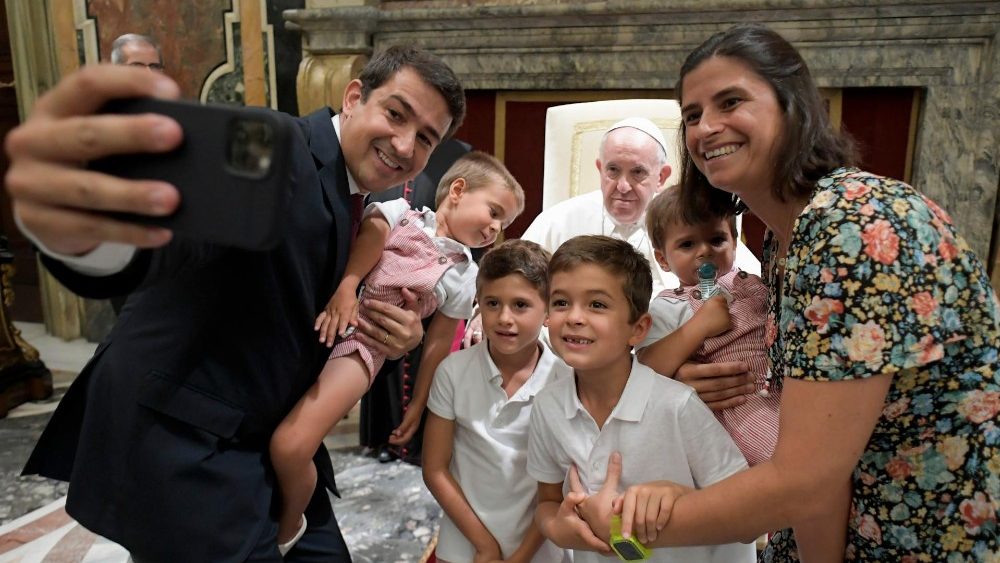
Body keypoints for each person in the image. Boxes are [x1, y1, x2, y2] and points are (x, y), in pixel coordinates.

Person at [8, 45, 464, 561]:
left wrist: (399, 340)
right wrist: (86, 235)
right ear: (354, 96)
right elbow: (175, 233)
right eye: (395, 113)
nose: (404, 144)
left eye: (426, 138)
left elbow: (323, 320)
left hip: (272, 438)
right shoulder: (271, 145)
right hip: (183, 436)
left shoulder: (378, 211)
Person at [569, 24, 1000, 562]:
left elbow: (806, 481)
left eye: (731, 101)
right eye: (693, 115)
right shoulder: (787, 238)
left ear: (792, 105)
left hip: (918, 533)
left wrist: (627, 525)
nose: (707, 128)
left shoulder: (853, 224)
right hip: (831, 530)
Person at [271, 151, 523, 551]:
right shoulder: (399, 211)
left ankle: (287, 530)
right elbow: (369, 240)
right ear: (458, 190)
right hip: (326, 316)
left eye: (503, 223)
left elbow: (440, 342)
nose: (495, 228)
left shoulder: (465, 273)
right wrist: (346, 289)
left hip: (365, 347)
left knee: (289, 445)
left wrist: (419, 404)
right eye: (493, 212)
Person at [526, 235, 755, 563]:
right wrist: (556, 528)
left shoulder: (677, 405)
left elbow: (748, 515)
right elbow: (547, 501)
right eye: (561, 302)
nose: (574, 317)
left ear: (638, 329)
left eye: (597, 304)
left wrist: (678, 497)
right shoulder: (548, 406)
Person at [423, 239, 570, 563]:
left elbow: (564, 482)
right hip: (465, 544)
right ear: (478, 304)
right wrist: (484, 545)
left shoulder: (566, 381)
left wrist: (520, 556)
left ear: (547, 310)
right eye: (492, 303)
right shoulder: (453, 371)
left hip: (539, 546)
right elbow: (434, 468)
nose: (504, 317)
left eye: (520, 305)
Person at [520, 117, 760, 297]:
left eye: (638, 173)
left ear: (661, 176)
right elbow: (514, 276)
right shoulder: (559, 219)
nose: (623, 186)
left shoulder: (690, 220)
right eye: (613, 170)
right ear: (600, 168)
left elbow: (742, 280)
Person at [637, 187, 779, 466]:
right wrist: (699, 326)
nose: (704, 251)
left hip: (785, 388)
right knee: (780, 458)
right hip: (741, 404)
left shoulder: (752, 282)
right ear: (663, 259)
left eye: (716, 240)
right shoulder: (670, 306)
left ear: (735, 244)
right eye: (687, 245)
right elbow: (645, 367)